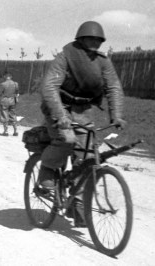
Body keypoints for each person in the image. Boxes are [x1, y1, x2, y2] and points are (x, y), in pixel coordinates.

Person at [37, 21, 126, 227]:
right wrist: (61, 117)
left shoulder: (103, 62)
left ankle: (77, 204)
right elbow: (49, 87)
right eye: (90, 39)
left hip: (83, 110)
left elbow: (113, 87)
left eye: (98, 40)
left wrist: (117, 115)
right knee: (66, 139)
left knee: (87, 156)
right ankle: (47, 171)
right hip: (57, 106)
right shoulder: (66, 56)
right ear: (80, 39)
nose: (94, 43)